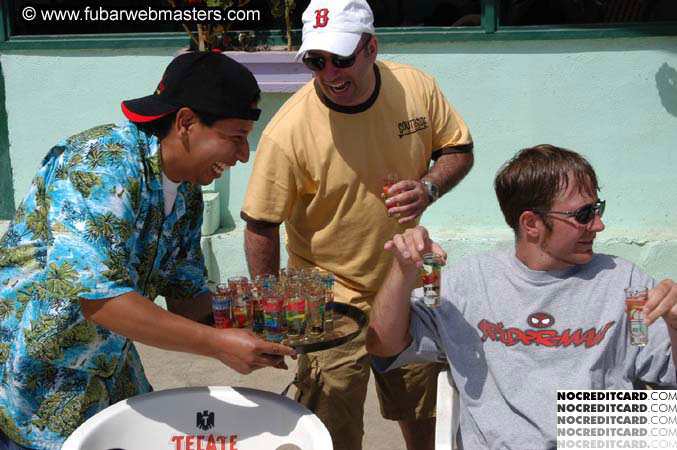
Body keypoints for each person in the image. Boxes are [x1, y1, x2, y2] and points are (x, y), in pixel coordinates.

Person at [0, 52, 295, 450]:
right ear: (186, 123)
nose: (243, 155)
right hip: (34, 375)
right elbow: (101, 301)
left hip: (107, 362)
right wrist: (220, 345)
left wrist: (262, 328)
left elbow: (186, 298)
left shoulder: (187, 193)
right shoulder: (100, 165)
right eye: (235, 137)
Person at [240, 0, 474, 448]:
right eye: (315, 60)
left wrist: (429, 187)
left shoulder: (416, 88)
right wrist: (272, 313)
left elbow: (457, 148)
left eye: (341, 58)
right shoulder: (287, 132)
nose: (329, 73)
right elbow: (261, 226)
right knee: (331, 430)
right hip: (328, 298)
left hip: (405, 283)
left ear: (371, 48)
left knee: (422, 415)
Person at [367, 144, 677, 449]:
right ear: (531, 224)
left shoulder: (624, 282)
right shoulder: (472, 284)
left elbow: (667, 392)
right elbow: (383, 345)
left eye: (597, 209)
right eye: (583, 214)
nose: (598, 225)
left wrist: (674, 326)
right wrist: (403, 268)